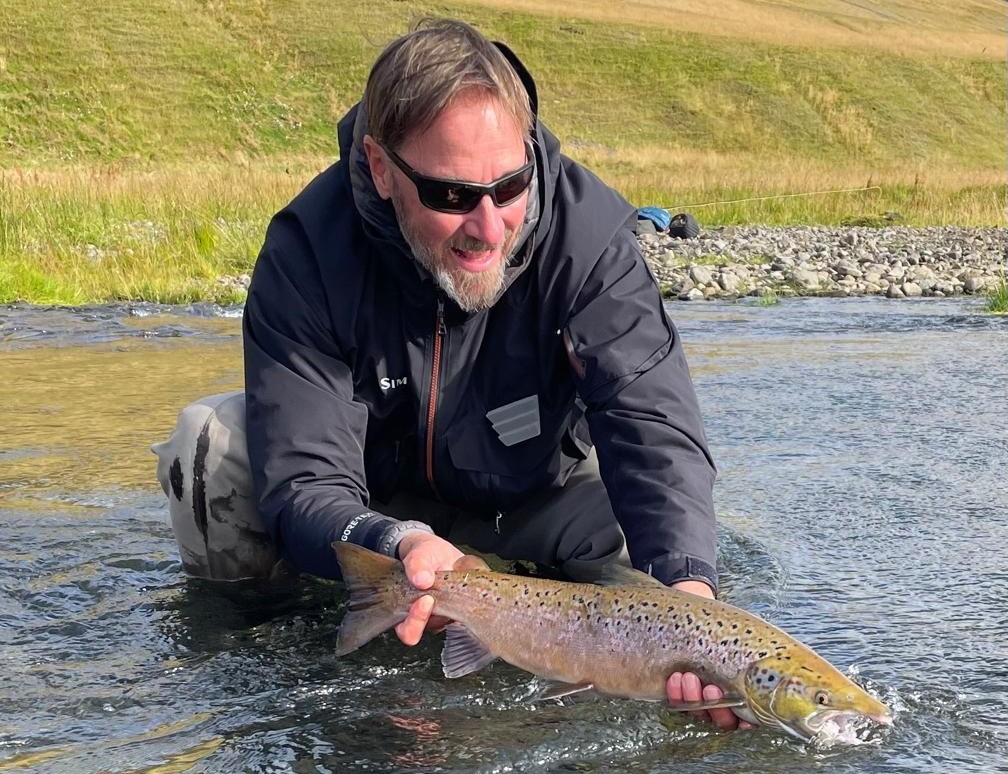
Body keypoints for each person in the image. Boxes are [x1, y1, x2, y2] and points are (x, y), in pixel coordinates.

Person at [153, 18, 747, 731]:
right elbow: (306, 476)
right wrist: (394, 543)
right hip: (378, 504)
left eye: (511, 185)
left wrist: (687, 594)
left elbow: (651, 425)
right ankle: (265, 650)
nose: (490, 228)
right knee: (210, 442)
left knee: (660, 549)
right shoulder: (309, 250)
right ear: (380, 168)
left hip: (541, 495)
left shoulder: (589, 242)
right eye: (453, 196)